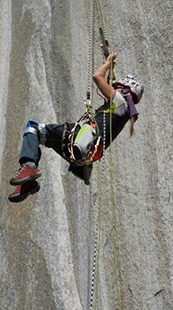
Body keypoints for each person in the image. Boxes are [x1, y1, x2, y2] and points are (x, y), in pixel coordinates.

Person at [8, 52, 144, 201]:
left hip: (78, 139)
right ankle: (28, 183)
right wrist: (109, 65)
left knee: (33, 129)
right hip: (80, 153)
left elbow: (97, 77)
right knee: (44, 138)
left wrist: (106, 64)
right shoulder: (122, 113)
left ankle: (28, 167)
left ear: (124, 91)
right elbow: (108, 83)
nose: (114, 88)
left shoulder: (119, 102)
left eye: (118, 87)